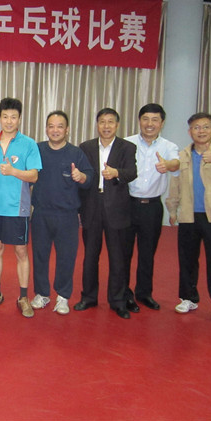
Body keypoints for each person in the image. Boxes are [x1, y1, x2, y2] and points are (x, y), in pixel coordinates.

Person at [165, 112, 211, 330]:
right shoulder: (183, 155)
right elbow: (175, 183)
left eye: (205, 127)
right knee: (187, 260)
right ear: (190, 132)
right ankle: (188, 298)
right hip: (189, 216)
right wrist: (172, 208)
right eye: (197, 127)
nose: (201, 131)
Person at [0, 97, 42, 318]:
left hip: (18, 208)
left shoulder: (29, 144)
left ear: (19, 119)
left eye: (13, 117)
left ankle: (23, 297)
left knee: (20, 251)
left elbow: (34, 175)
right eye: (5, 116)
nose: (9, 121)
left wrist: (13, 171)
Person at [76, 108, 137, 319]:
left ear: (117, 125)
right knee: (90, 256)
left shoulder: (127, 147)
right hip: (92, 206)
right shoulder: (86, 147)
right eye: (102, 122)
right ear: (97, 125)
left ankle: (118, 301)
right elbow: (82, 178)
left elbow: (132, 172)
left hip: (117, 208)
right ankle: (88, 297)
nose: (106, 126)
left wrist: (116, 173)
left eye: (110, 122)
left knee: (117, 258)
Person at [30, 111, 93, 315]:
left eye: (59, 126)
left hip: (67, 215)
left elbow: (89, 178)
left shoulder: (76, 153)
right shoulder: (37, 149)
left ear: (67, 129)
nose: (55, 130)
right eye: (51, 126)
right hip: (41, 213)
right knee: (39, 256)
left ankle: (63, 296)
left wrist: (81, 176)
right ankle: (42, 293)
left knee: (66, 257)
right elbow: (27, 174)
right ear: (46, 128)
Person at [123, 103, 180, 312]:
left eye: (155, 120)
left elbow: (176, 164)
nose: (150, 124)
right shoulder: (127, 143)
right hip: (127, 205)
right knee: (123, 253)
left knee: (148, 253)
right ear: (139, 121)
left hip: (152, 207)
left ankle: (144, 293)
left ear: (162, 123)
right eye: (145, 119)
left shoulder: (168, 146)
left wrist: (168, 165)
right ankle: (124, 294)